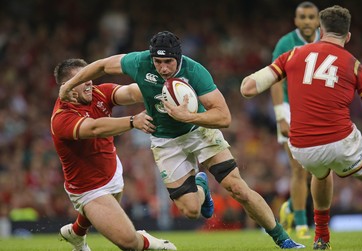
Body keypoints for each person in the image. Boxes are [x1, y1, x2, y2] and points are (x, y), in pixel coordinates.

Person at [59, 31, 305, 249]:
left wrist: (188, 116)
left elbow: (224, 117)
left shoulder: (195, 72)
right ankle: (201, 186)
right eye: (158, 62)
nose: (163, 68)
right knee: (191, 211)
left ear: (178, 57)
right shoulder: (139, 62)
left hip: (199, 131)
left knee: (237, 188)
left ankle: (283, 239)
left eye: (168, 62)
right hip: (166, 142)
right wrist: (70, 83)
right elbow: (101, 65)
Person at [241, 5, 362, 250]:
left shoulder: (292, 54)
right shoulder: (354, 65)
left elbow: (248, 88)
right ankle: (322, 233)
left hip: (303, 148)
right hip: (340, 142)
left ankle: (322, 237)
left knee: (320, 172)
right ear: (347, 36)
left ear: (320, 29)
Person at [51, 58, 177, 251]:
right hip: (89, 190)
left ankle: (76, 233)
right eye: (81, 79)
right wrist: (133, 121)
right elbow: (94, 128)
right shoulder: (61, 116)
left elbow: (131, 92)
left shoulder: (99, 93)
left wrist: (164, 89)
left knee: (103, 218)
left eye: (89, 76)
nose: (89, 82)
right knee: (129, 242)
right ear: (67, 87)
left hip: (112, 171)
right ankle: (151, 242)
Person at [270, 1, 320, 239]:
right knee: (298, 169)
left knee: (315, 169)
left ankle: (289, 208)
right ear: (296, 20)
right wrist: (281, 117)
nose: (308, 21)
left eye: (312, 17)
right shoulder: (285, 43)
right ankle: (301, 224)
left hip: (317, 110)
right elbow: (276, 80)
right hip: (291, 108)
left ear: (318, 20)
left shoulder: (326, 41)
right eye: (303, 17)